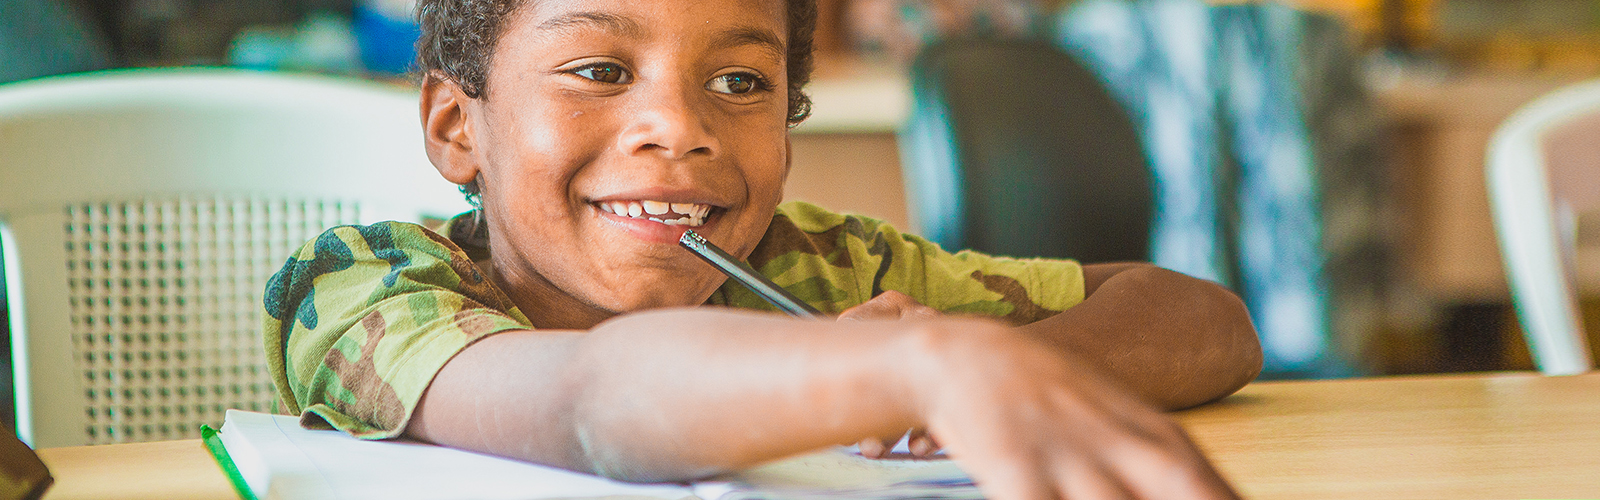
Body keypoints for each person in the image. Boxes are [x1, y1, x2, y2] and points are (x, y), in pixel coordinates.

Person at [261, 0, 1263, 498]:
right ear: (453, 127)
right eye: (601, 68)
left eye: (740, 84)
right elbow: (592, 398)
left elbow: (1198, 314)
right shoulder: (364, 285)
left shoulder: (820, 266)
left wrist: (1024, 369)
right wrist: (912, 361)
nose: (677, 128)